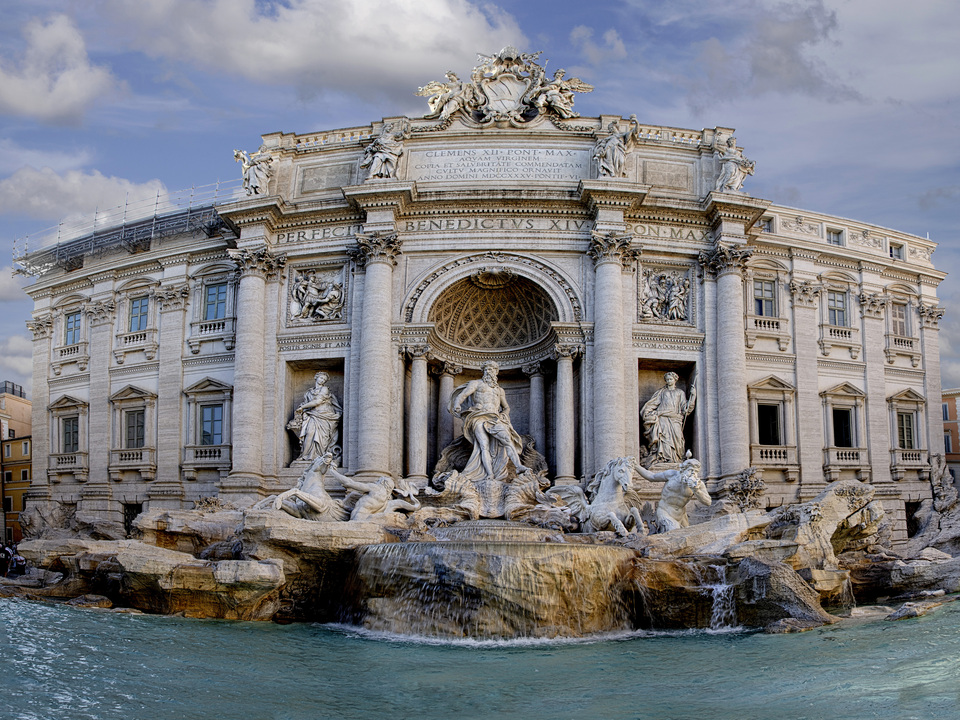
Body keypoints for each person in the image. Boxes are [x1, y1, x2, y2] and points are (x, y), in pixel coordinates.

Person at [449, 361, 529, 482]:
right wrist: (457, 404)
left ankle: (518, 466)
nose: (489, 371)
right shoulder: (476, 384)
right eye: (486, 369)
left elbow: (506, 407)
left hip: (495, 418)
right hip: (478, 417)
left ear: (496, 372)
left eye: (491, 369)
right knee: (483, 446)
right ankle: (489, 474)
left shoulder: (499, 390)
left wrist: (504, 415)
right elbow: (463, 395)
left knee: (507, 440)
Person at [635, 455, 711, 532]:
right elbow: (651, 477)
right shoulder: (671, 475)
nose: (693, 474)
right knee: (674, 533)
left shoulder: (698, 484)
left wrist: (696, 490)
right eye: (691, 470)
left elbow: (708, 502)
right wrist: (635, 466)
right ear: (683, 469)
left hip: (681, 516)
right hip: (665, 511)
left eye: (696, 472)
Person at [641, 371, 696, 465]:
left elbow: (685, 407)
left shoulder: (680, 392)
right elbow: (654, 403)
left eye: (670, 379)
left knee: (678, 438)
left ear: (675, 380)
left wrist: (693, 396)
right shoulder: (662, 392)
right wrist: (647, 412)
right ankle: (664, 459)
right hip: (663, 417)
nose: (669, 381)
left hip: (675, 418)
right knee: (664, 438)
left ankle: (677, 458)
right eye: (667, 380)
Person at [293, 372, 342, 461]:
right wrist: (303, 410)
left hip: (325, 416)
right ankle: (305, 455)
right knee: (309, 433)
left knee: (322, 438)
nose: (322, 380)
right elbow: (307, 403)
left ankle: (319, 456)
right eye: (321, 378)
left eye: (324, 379)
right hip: (313, 415)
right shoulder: (309, 392)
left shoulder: (324, 389)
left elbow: (317, 402)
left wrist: (302, 407)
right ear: (316, 378)